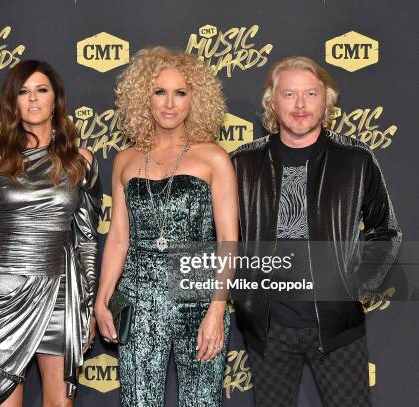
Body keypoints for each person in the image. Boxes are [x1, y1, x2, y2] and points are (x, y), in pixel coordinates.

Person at [230, 56, 402, 407]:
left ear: (327, 101)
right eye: (289, 94)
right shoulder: (242, 163)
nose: (300, 105)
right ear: (272, 102)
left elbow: (385, 232)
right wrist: (243, 292)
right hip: (267, 328)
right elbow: (222, 241)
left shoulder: (356, 160)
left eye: (310, 94)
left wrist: (354, 286)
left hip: (338, 329)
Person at [94, 47, 238, 407]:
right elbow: (117, 239)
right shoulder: (125, 160)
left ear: (195, 99)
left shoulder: (213, 157)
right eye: (160, 92)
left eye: (180, 93)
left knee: (201, 402)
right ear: (144, 98)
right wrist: (102, 299)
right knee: (138, 402)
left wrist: (217, 310)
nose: (169, 104)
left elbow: (228, 241)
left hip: (198, 294)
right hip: (137, 296)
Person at [0, 60, 101, 407]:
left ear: (56, 99)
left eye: (42, 90)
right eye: (23, 92)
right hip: (2, 296)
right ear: (12, 102)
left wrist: (89, 306)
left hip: (62, 293)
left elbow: (87, 241)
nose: (33, 100)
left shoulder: (81, 162)